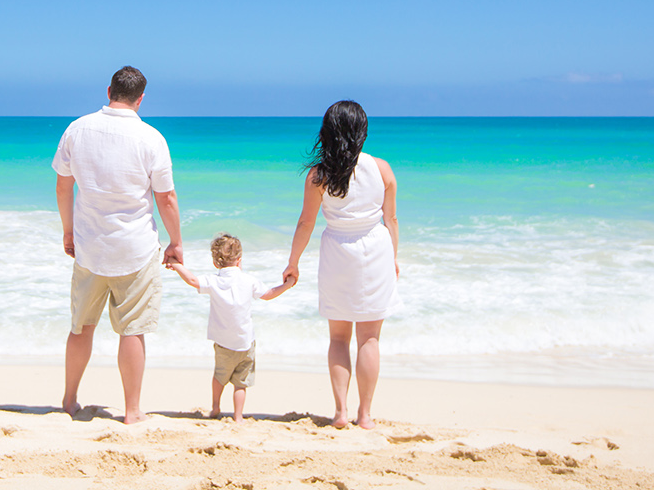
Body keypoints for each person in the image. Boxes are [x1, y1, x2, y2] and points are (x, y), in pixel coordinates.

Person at [54, 65, 182, 424]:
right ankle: (131, 411)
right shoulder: (151, 138)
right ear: (141, 99)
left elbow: (64, 187)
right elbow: (166, 198)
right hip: (135, 249)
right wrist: (176, 242)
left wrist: (68, 231)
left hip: (90, 247)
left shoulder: (77, 129)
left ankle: (68, 400)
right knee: (132, 330)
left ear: (108, 89)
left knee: (81, 327)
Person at [282, 100, 401, 429]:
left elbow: (306, 223)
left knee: (338, 339)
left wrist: (293, 263)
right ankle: (365, 415)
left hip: (337, 252)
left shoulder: (319, 175)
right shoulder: (382, 169)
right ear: (362, 131)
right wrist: (392, 258)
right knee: (370, 340)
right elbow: (390, 219)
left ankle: (340, 413)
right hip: (375, 249)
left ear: (328, 132)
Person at [167, 232, 294, 421]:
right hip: (245, 342)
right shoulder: (248, 280)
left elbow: (192, 280)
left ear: (216, 263)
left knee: (219, 376)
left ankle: (216, 407)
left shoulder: (214, 281)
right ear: (239, 260)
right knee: (240, 383)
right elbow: (268, 294)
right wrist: (288, 284)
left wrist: (177, 265)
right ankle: (238, 415)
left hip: (223, 343)